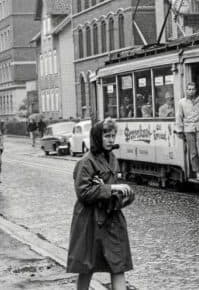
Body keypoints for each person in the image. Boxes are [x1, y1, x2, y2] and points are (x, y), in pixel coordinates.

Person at [67, 118, 134, 290]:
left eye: (113, 135)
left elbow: (114, 188)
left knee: (118, 266)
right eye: (107, 136)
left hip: (112, 219)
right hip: (90, 221)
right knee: (86, 266)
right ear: (98, 137)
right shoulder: (86, 162)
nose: (111, 140)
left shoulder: (113, 159)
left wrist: (124, 196)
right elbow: (83, 193)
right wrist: (110, 188)